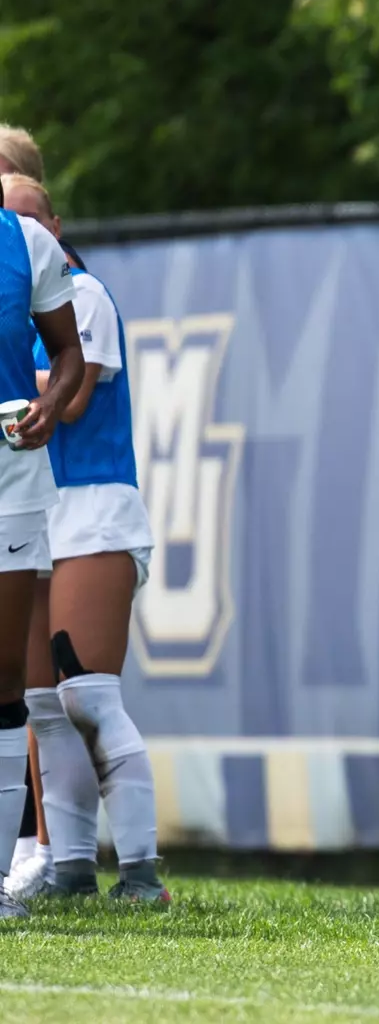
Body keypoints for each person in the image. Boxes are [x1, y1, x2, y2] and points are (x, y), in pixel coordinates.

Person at [0, 174, 165, 904]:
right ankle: (67, 866)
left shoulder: (84, 292)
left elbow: (71, 393)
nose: (22, 230)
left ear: (55, 226)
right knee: (42, 701)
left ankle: (141, 871)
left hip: (94, 505)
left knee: (89, 695)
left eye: (32, 217)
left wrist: (17, 385)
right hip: (40, 505)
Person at [0, 172, 86, 918]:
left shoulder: (26, 243)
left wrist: (50, 406)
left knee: (6, 676)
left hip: (12, 477)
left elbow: (69, 357)